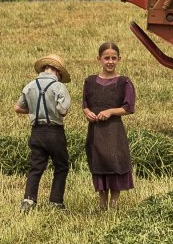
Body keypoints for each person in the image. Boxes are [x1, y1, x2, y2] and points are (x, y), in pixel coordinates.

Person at [81, 41, 138, 212]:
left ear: (119, 59)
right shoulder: (90, 81)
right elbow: (85, 104)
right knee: (99, 163)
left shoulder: (124, 82)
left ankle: (114, 204)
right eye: (107, 58)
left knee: (115, 162)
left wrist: (111, 111)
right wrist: (87, 112)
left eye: (114, 58)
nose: (110, 61)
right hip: (96, 131)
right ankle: (101, 203)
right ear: (99, 59)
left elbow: (129, 108)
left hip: (114, 131)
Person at [15, 53, 72, 211]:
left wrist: (34, 110)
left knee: (36, 166)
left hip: (37, 131)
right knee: (61, 166)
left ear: (44, 68)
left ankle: (29, 200)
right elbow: (62, 110)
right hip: (54, 132)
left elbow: (18, 108)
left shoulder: (30, 85)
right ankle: (55, 202)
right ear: (58, 71)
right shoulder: (59, 87)